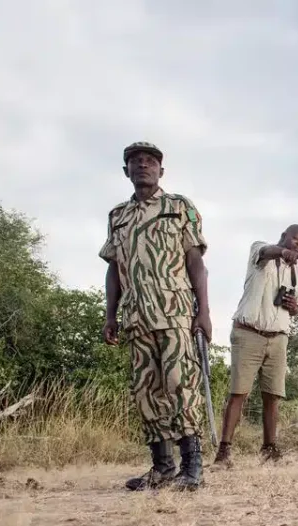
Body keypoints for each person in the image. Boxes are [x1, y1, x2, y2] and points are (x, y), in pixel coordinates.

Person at [99, 141, 211, 491]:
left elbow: (196, 262)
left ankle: (192, 468)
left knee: (181, 385)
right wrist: (110, 315)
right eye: (135, 162)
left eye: (150, 161)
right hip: (135, 316)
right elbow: (114, 269)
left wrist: (203, 312)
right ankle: (162, 467)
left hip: (175, 312)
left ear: (161, 171)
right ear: (126, 171)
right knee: (146, 391)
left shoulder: (179, 207)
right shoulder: (117, 216)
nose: (142, 165)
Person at [214, 225, 298, 467]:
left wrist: (293, 306)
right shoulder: (260, 251)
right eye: (295, 239)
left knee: (273, 395)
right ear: (283, 237)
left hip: (278, 337)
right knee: (239, 393)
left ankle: (269, 448)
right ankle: (224, 451)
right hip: (249, 332)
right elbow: (267, 251)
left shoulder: (297, 272)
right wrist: (282, 253)